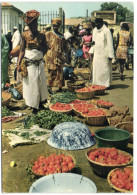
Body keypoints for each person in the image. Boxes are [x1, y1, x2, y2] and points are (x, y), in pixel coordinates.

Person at [17, 10, 48, 113]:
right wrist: (18, 64)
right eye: (31, 24)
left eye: (34, 23)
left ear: (37, 23)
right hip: (30, 64)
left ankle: (40, 103)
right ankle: (33, 106)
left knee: (40, 83)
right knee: (32, 85)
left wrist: (38, 46)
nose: (33, 26)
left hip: (39, 63)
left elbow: (46, 49)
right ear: (28, 24)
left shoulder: (41, 35)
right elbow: (21, 51)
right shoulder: (24, 35)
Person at [89, 18, 114, 88]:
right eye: (95, 23)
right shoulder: (94, 30)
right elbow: (94, 41)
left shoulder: (107, 31)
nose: (96, 25)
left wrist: (110, 55)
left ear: (101, 23)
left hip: (105, 53)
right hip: (97, 53)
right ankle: (97, 84)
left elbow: (110, 43)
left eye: (97, 23)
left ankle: (106, 85)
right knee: (97, 69)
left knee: (105, 69)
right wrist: (91, 49)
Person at [45, 17, 66, 93]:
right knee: (51, 72)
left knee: (59, 72)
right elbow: (44, 45)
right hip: (51, 56)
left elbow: (65, 46)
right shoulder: (48, 34)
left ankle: (60, 87)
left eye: (56, 26)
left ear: (59, 26)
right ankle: (49, 88)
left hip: (59, 56)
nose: (55, 27)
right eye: (54, 26)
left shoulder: (61, 35)